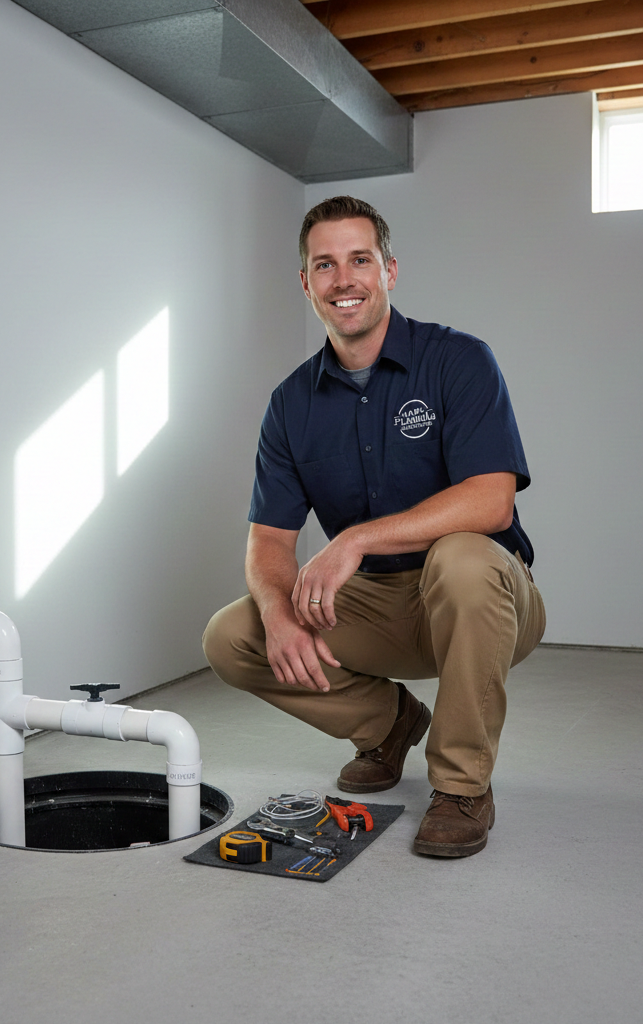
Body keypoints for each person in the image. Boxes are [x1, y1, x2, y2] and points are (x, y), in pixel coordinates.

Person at [202, 196, 546, 858]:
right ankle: (388, 726)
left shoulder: (459, 361)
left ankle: (463, 788)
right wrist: (276, 609)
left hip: (484, 597)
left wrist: (354, 538)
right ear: (306, 284)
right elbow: (269, 541)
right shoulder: (291, 405)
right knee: (232, 635)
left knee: (465, 559)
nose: (344, 279)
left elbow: (491, 501)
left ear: (389, 270)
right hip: (374, 608)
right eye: (324, 265)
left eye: (359, 259)